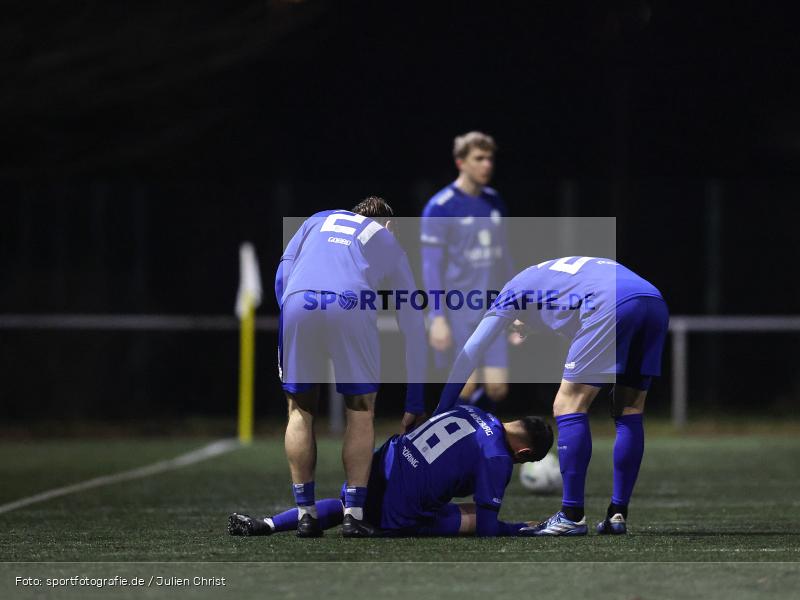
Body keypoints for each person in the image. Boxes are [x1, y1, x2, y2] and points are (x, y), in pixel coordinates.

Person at [435, 257, 668, 536]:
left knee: (568, 404)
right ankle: (617, 514)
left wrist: (439, 413)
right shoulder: (548, 281)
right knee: (629, 407)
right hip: (653, 300)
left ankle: (572, 516)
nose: (516, 328)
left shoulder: (511, 291)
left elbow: (470, 351)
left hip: (610, 301)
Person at [275, 197, 427, 538]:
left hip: (298, 300)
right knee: (360, 409)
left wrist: (293, 314)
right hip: (350, 303)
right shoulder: (386, 238)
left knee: (299, 409)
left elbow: (282, 276)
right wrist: (415, 400)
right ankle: (353, 515)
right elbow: (413, 324)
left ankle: (306, 514)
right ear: (390, 225)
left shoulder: (317, 218)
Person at [228, 406, 554, 537]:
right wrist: (520, 528)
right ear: (524, 453)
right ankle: (389, 521)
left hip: (376, 472)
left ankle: (268, 524)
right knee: (473, 516)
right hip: (401, 507)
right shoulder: (497, 455)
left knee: (348, 507)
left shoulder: (470, 409)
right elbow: (487, 528)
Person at [420, 131, 515, 412]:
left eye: (490, 159)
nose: (487, 165)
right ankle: (462, 436)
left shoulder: (494, 201)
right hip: (458, 309)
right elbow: (431, 266)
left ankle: (481, 431)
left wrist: (517, 305)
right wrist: (437, 317)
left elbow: (505, 258)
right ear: (461, 162)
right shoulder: (441, 207)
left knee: (498, 388)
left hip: (493, 307)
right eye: (479, 158)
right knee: (466, 385)